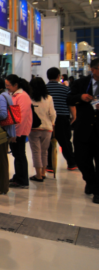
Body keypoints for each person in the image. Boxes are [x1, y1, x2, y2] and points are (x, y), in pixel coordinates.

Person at [67, 58, 99, 204]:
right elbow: (69, 99)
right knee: (82, 159)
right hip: (83, 128)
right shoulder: (81, 83)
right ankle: (91, 181)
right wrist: (81, 97)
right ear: (93, 69)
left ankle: (97, 190)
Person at [46, 67, 77, 172]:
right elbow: (70, 103)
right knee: (65, 142)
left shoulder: (44, 89)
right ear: (59, 77)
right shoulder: (65, 89)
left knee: (48, 142)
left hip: (48, 119)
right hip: (62, 118)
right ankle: (71, 163)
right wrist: (74, 116)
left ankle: (49, 165)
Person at [5, 75, 33, 189]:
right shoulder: (14, 95)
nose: (7, 87)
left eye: (8, 85)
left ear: (16, 85)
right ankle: (18, 177)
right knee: (17, 155)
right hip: (15, 131)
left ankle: (22, 179)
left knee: (20, 155)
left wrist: (15, 134)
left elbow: (21, 117)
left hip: (19, 132)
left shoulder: (23, 96)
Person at [29, 78, 57, 182]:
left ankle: (38, 174)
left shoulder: (29, 98)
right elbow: (52, 113)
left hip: (34, 129)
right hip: (47, 128)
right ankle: (43, 172)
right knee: (44, 152)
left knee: (36, 152)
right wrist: (52, 124)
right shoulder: (49, 98)